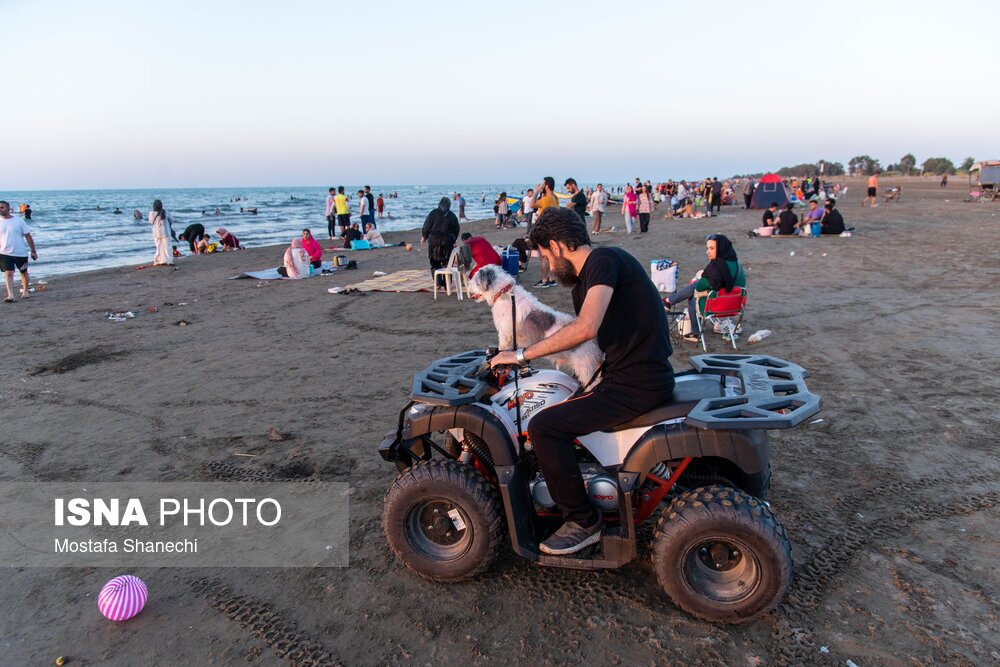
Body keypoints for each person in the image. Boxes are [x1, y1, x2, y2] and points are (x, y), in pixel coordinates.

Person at [489, 207, 674, 554]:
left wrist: (520, 355)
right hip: (627, 376)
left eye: (546, 256)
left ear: (557, 246)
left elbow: (585, 328)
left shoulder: (602, 261)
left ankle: (583, 521)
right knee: (561, 401)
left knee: (543, 427)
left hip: (637, 383)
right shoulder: (584, 283)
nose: (547, 264)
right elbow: (597, 340)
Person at [664, 234, 746, 343]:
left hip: (714, 308)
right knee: (699, 285)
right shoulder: (738, 266)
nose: (708, 252)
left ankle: (695, 333)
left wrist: (701, 278)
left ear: (721, 248)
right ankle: (669, 301)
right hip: (734, 307)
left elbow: (699, 287)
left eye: (712, 248)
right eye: (707, 248)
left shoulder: (716, 267)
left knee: (693, 295)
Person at [0, 200, 38, 302]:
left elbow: (28, 236)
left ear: (8, 209)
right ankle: (10, 295)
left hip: (20, 252)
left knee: (23, 272)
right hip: (4, 252)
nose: (0, 209)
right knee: (8, 273)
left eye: (2, 207)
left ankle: (25, 291)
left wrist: (33, 251)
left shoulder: (19, 221)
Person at [528, 177, 559, 287]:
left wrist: (536, 191)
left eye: (543, 184)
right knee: (552, 256)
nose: (541, 186)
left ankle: (544, 280)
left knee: (544, 256)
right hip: (553, 229)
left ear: (546, 186)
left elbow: (531, 205)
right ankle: (552, 279)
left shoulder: (545, 200)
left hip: (544, 230)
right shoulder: (555, 198)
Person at [420, 197, 460, 281]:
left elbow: (426, 225)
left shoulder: (433, 213)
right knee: (447, 263)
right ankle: (447, 284)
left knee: (434, 262)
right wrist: (454, 240)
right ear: (449, 205)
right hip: (447, 241)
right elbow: (456, 229)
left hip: (433, 241)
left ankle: (437, 283)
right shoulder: (452, 216)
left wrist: (424, 236)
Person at [147, 200, 177, 266]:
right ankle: (169, 261)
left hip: (156, 233)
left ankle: (158, 261)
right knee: (167, 247)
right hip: (165, 232)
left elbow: (151, 222)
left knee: (158, 247)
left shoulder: (151, 213)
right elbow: (172, 220)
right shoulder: (165, 212)